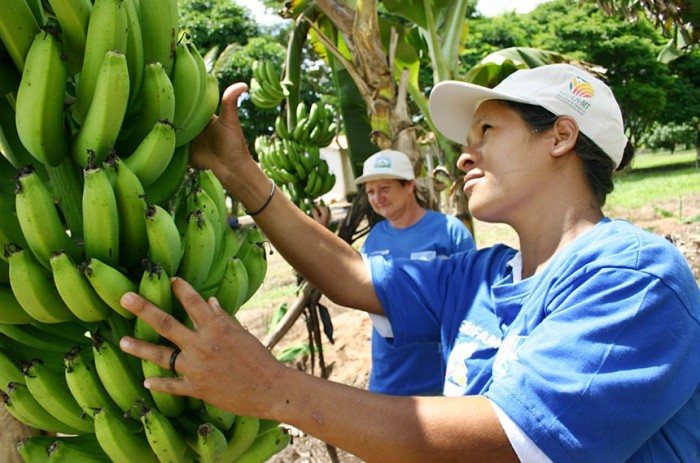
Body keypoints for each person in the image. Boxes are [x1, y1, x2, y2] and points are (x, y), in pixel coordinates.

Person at [118, 63, 700, 462]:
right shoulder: (481, 273)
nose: (465, 154)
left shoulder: (630, 276)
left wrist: (271, 388)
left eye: (488, 130)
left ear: (560, 137)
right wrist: (240, 173)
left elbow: (509, 443)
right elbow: (351, 275)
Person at [355, 149, 475, 396]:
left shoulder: (449, 231)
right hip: (389, 372)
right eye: (371, 192)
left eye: (385, 188)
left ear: (409, 185)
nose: (377, 198)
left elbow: (470, 299)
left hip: (441, 372)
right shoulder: (374, 238)